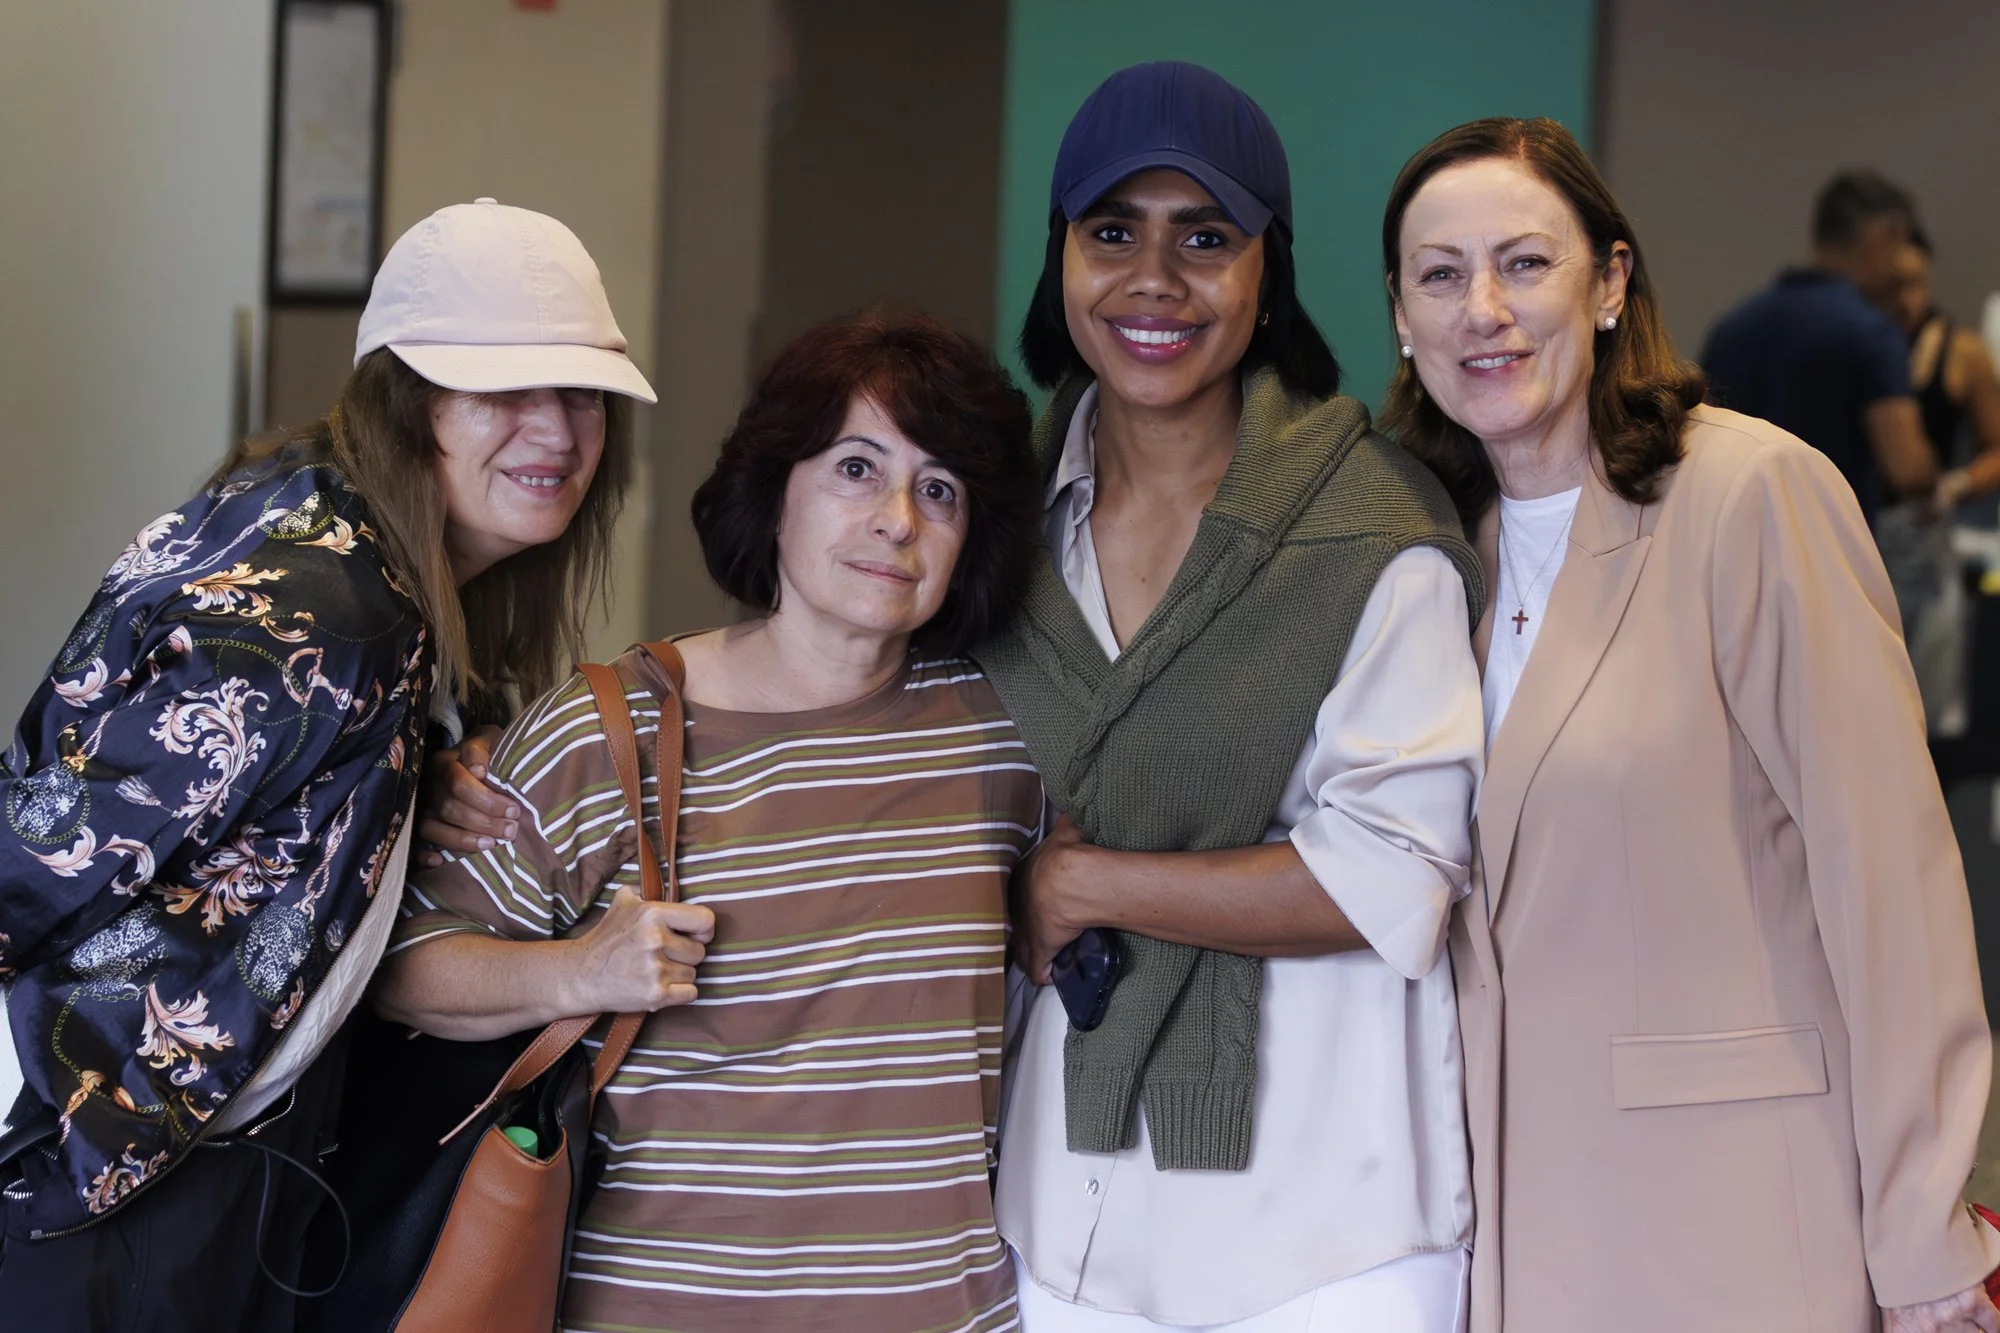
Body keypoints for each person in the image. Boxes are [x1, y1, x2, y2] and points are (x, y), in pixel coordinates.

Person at [1383, 116, 2000, 1333]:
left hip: (1735, 1217)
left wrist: (1924, 1232)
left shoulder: (1748, 494)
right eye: (1439, 275)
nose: (1481, 310)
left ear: (1609, 282)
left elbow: (1887, 881)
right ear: (1401, 317)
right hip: (1508, 1233)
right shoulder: (1426, 550)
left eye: (1523, 262)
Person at [0, 196, 650, 1331]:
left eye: (582, 391)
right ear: (410, 401)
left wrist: (411, 772)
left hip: (191, 1150)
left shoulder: (349, 542)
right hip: (101, 1170)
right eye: (504, 389)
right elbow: (37, 858)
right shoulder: (322, 612)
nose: (556, 429)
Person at [373, 311, 1045, 1332]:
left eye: (940, 489)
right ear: (774, 492)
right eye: (856, 469)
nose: (899, 519)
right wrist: (579, 971)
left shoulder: (1003, 737)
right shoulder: (611, 728)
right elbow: (401, 970)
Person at [977, 63, 1486, 1332]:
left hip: (1323, 1228)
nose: (1153, 279)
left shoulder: (1373, 531)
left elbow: (1390, 874)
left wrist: (1086, 885)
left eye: (1204, 238)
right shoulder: (992, 534)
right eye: (1111, 234)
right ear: (1059, 259)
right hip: (1055, 1209)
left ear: (1267, 273)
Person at [1701, 170, 1940, 528]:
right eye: (1901, 243)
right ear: (1880, 239)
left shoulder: (1732, 327)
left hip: (1737, 541)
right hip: (1830, 547)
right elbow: (1908, 470)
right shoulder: (1872, 333)